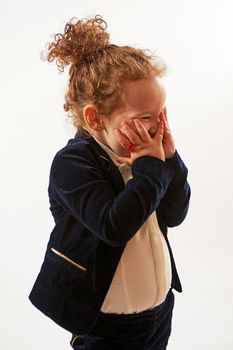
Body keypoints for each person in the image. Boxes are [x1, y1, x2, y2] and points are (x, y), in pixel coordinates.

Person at [29, 15, 191, 350]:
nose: (155, 129)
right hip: (108, 329)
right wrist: (151, 168)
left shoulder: (149, 157)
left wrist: (170, 161)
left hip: (159, 315)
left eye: (161, 114)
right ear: (94, 118)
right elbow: (115, 225)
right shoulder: (72, 163)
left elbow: (174, 214)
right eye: (144, 118)